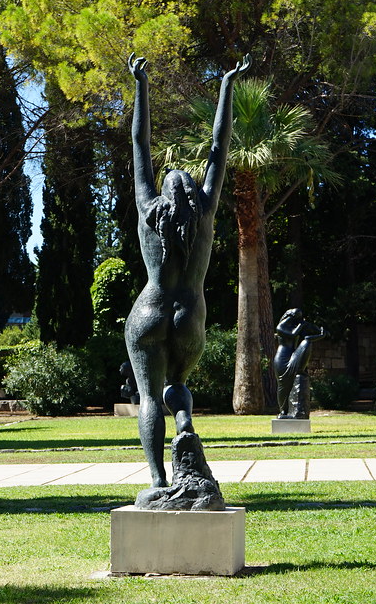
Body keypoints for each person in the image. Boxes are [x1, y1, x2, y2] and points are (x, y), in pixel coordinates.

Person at [125, 53, 251, 488]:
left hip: (148, 311)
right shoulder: (206, 213)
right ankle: (183, 421)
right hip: (189, 315)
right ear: (195, 193)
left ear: (162, 192)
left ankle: (159, 480)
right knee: (176, 384)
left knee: (147, 395)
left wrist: (141, 84)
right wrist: (225, 86)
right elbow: (220, 146)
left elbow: (140, 143)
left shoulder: (148, 210)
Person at [273, 309, 325, 419]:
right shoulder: (280, 327)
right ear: (288, 316)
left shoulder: (295, 325)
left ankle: (300, 369)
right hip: (282, 359)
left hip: (292, 355)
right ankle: (283, 411)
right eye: (294, 317)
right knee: (283, 386)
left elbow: (307, 336)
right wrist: (302, 324)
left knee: (307, 342)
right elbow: (293, 334)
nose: (295, 320)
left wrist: (320, 333)